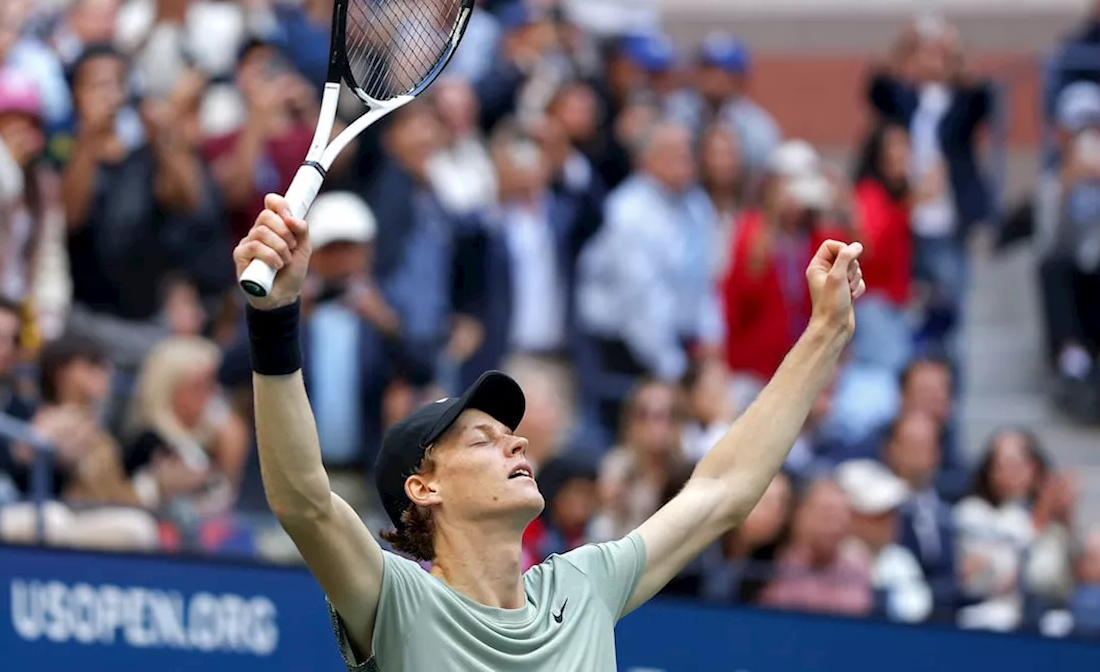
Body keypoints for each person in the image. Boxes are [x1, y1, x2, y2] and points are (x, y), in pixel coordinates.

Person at [231, 193, 865, 670]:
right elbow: (304, 502)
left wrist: (824, 335)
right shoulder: (397, 600)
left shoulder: (583, 586)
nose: (519, 441)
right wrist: (274, 317)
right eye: (483, 439)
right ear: (424, 489)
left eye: (510, 433)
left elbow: (722, 491)